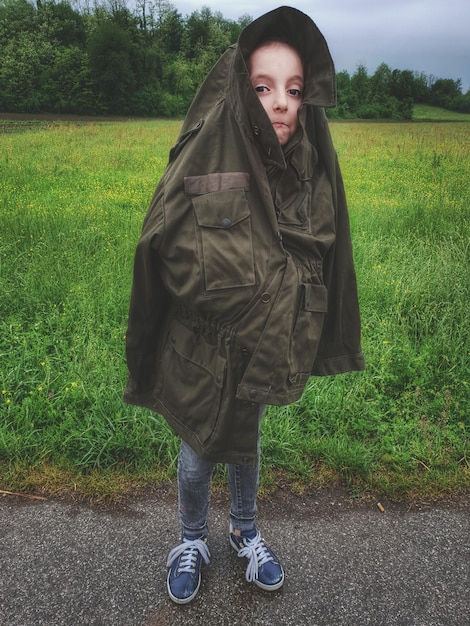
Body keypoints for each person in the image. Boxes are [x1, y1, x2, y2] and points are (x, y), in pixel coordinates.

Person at [124, 6, 364, 604]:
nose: (280, 102)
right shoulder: (213, 155)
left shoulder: (308, 166)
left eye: (293, 89)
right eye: (262, 87)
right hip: (201, 350)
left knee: (246, 446)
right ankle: (191, 540)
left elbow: (324, 247)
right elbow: (165, 241)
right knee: (196, 454)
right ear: (240, 90)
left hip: (264, 346)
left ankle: (244, 531)